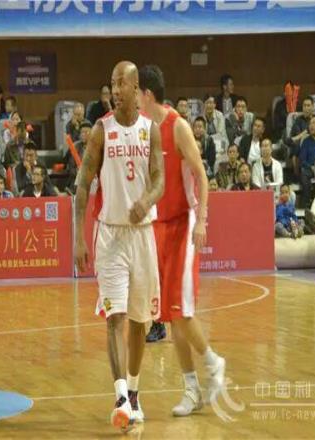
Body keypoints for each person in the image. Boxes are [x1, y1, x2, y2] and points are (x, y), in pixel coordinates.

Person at [74, 61, 164, 431]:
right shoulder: (101, 130)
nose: (114, 90)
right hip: (110, 235)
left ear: (135, 87)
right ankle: (121, 396)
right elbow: (82, 184)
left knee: (141, 320)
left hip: (141, 234)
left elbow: (159, 180)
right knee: (116, 318)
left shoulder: (150, 130)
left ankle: (136, 392)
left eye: (120, 83)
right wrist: (78, 236)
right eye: (112, 83)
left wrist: (147, 200)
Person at [139, 64, 226, 417]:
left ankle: (214, 363)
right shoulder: (144, 130)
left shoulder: (178, 126)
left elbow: (202, 176)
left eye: (135, 92)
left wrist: (202, 220)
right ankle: (191, 389)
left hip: (184, 224)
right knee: (170, 315)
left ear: (147, 94)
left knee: (182, 310)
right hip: (158, 227)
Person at [287, 96, 314, 174]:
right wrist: (305, 133)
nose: (306, 108)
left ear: (312, 107)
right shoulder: (298, 121)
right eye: (304, 106)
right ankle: (297, 175)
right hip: (301, 148)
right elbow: (294, 138)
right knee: (297, 146)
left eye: (308, 105)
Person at [64, 121, 92, 193]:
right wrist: (77, 172)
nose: (83, 134)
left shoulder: (96, 146)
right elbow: (71, 168)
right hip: (78, 181)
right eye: (82, 132)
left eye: (86, 132)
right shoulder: (75, 146)